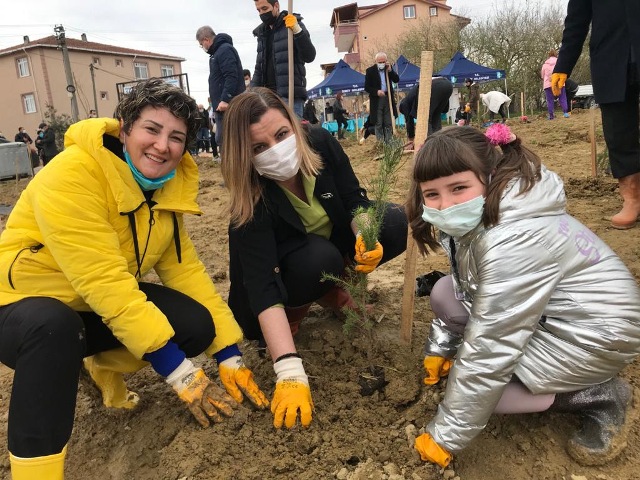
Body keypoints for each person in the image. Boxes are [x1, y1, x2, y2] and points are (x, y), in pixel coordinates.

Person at [0, 78, 269, 479]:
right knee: (54, 328)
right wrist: (178, 372)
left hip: (93, 304)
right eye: (152, 129)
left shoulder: (164, 189)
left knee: (196, 325)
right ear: (125, 128)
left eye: (177, 137)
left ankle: (95, 363)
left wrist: (228, 355)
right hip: (22, 305)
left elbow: (186, 271)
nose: (163, 146)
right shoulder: (73, 173)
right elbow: (104, 280)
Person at [405, 124, 640, 469]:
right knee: (443, 292)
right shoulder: (489, 211)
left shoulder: (515, 238)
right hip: (556, 317)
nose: (446, 204)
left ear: (491, 175)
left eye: (459, 188)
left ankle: (601, 395)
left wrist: (446, 435)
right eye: (433, 194)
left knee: (495, 396)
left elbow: (493, 345)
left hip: (598, 334)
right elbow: (471, 290)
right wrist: (442, 344)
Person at [220, 87, 408, 429]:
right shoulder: (250, 199)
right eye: (259, 148)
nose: (276, 152)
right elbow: (261, 286)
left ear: (294, 124)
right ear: (243, 155)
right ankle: (305, 305)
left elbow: (355, 200)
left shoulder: (319, 142)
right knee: (319, 259)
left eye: (281, 134)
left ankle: (330, 290)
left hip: (326, 252)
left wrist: (366, 235)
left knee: (392, 222)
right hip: (279, 282)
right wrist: (289, 370)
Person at [552, 0, 640, 230]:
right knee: (618, 132)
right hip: (610, 57)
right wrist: (563, 65)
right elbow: (576, 22)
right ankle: (632, 198)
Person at [251, 0, 316, 118]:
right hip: (268, 98)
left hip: (290, 95)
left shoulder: (293, 24)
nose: (261, 14)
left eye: (265, 9)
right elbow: (259, 68)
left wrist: (297, 31)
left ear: (276, 6)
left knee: (292, 134)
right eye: (258, 10)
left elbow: (309, 56)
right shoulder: (262, 33)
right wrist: (251, 95)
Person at [196, 26, 245, 152]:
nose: (203, 47)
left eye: (201, 44)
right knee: (222, 139)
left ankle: (235, 168)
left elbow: (231, 75)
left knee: (229, 140)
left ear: (206, 39)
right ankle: (229, 168)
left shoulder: (224, 50)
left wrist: (225, 99)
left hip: (228, 106)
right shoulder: (217, 53)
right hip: (221, 106)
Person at [398, 77, 454, 149]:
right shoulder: (412, 97)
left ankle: (431, 148)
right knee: (435, 117)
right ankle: (439, 146)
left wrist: (411, 139)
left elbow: (409, 121)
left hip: (435, 86)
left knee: (425, 119)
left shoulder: (404, 104)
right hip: (448, 85)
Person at [364, 52, 399, 143]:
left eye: (383, 61)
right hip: (377, 100)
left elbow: (396, 80)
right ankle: (380, 144)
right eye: (379, 62)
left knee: (388, 122)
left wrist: (391, 70)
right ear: (376, 61)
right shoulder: (370, 71)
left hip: (388, 99)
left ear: (386, 61)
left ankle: (389, 142)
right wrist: (377, 91)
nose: (381, 64)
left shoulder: (388, 69)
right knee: (378, 122)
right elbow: (367, 87)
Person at [541, 49, 570, 119]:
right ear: (556, 55)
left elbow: (542, 75)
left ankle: (551, 115)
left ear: (549, 55)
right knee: (562, 98)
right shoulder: (560, 63)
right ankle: (565, 113)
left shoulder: (545, 65)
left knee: (550, 100)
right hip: (559, 83)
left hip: (548, 85)